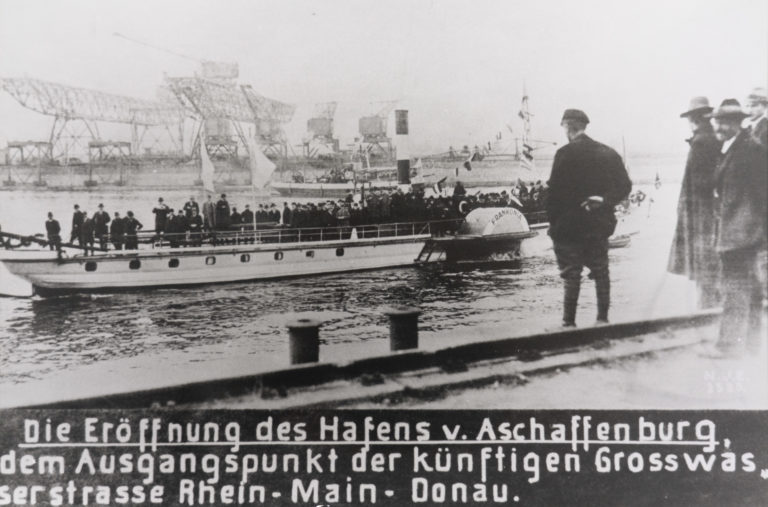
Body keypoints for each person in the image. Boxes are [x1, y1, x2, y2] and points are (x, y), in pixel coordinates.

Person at [546, 109, 632, 327]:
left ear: (567, 126)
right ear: (584, 126)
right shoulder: (607, 153)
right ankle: (602, 320)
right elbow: (625, 186)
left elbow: (553, 194)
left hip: (569, 227)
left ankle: (568, 324)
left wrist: (553, 226)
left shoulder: (564, 154)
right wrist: (604, 200)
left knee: (571, 275)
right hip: (598, 225)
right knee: (601, 271)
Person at [704, 99, 767, 357]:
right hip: (736, 230)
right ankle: (753, 344)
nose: (718, 126)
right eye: (716, 121)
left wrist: (759, 231)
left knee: (735, 287)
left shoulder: (751, 150)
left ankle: (729, 345)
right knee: (751, 287)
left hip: (742, 232)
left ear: (736, 124)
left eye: (724, 122)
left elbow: (764, 193)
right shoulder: (732, 147)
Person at [667, 97, 722, 309]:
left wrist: (685, 209)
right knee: (708, 265)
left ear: (693, 118)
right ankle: (710, 307)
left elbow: (699, 185)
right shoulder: (710, 139)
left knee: (703, 265)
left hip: (700, 217)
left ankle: (707, 310)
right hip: (707, 214)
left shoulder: (701, 142)